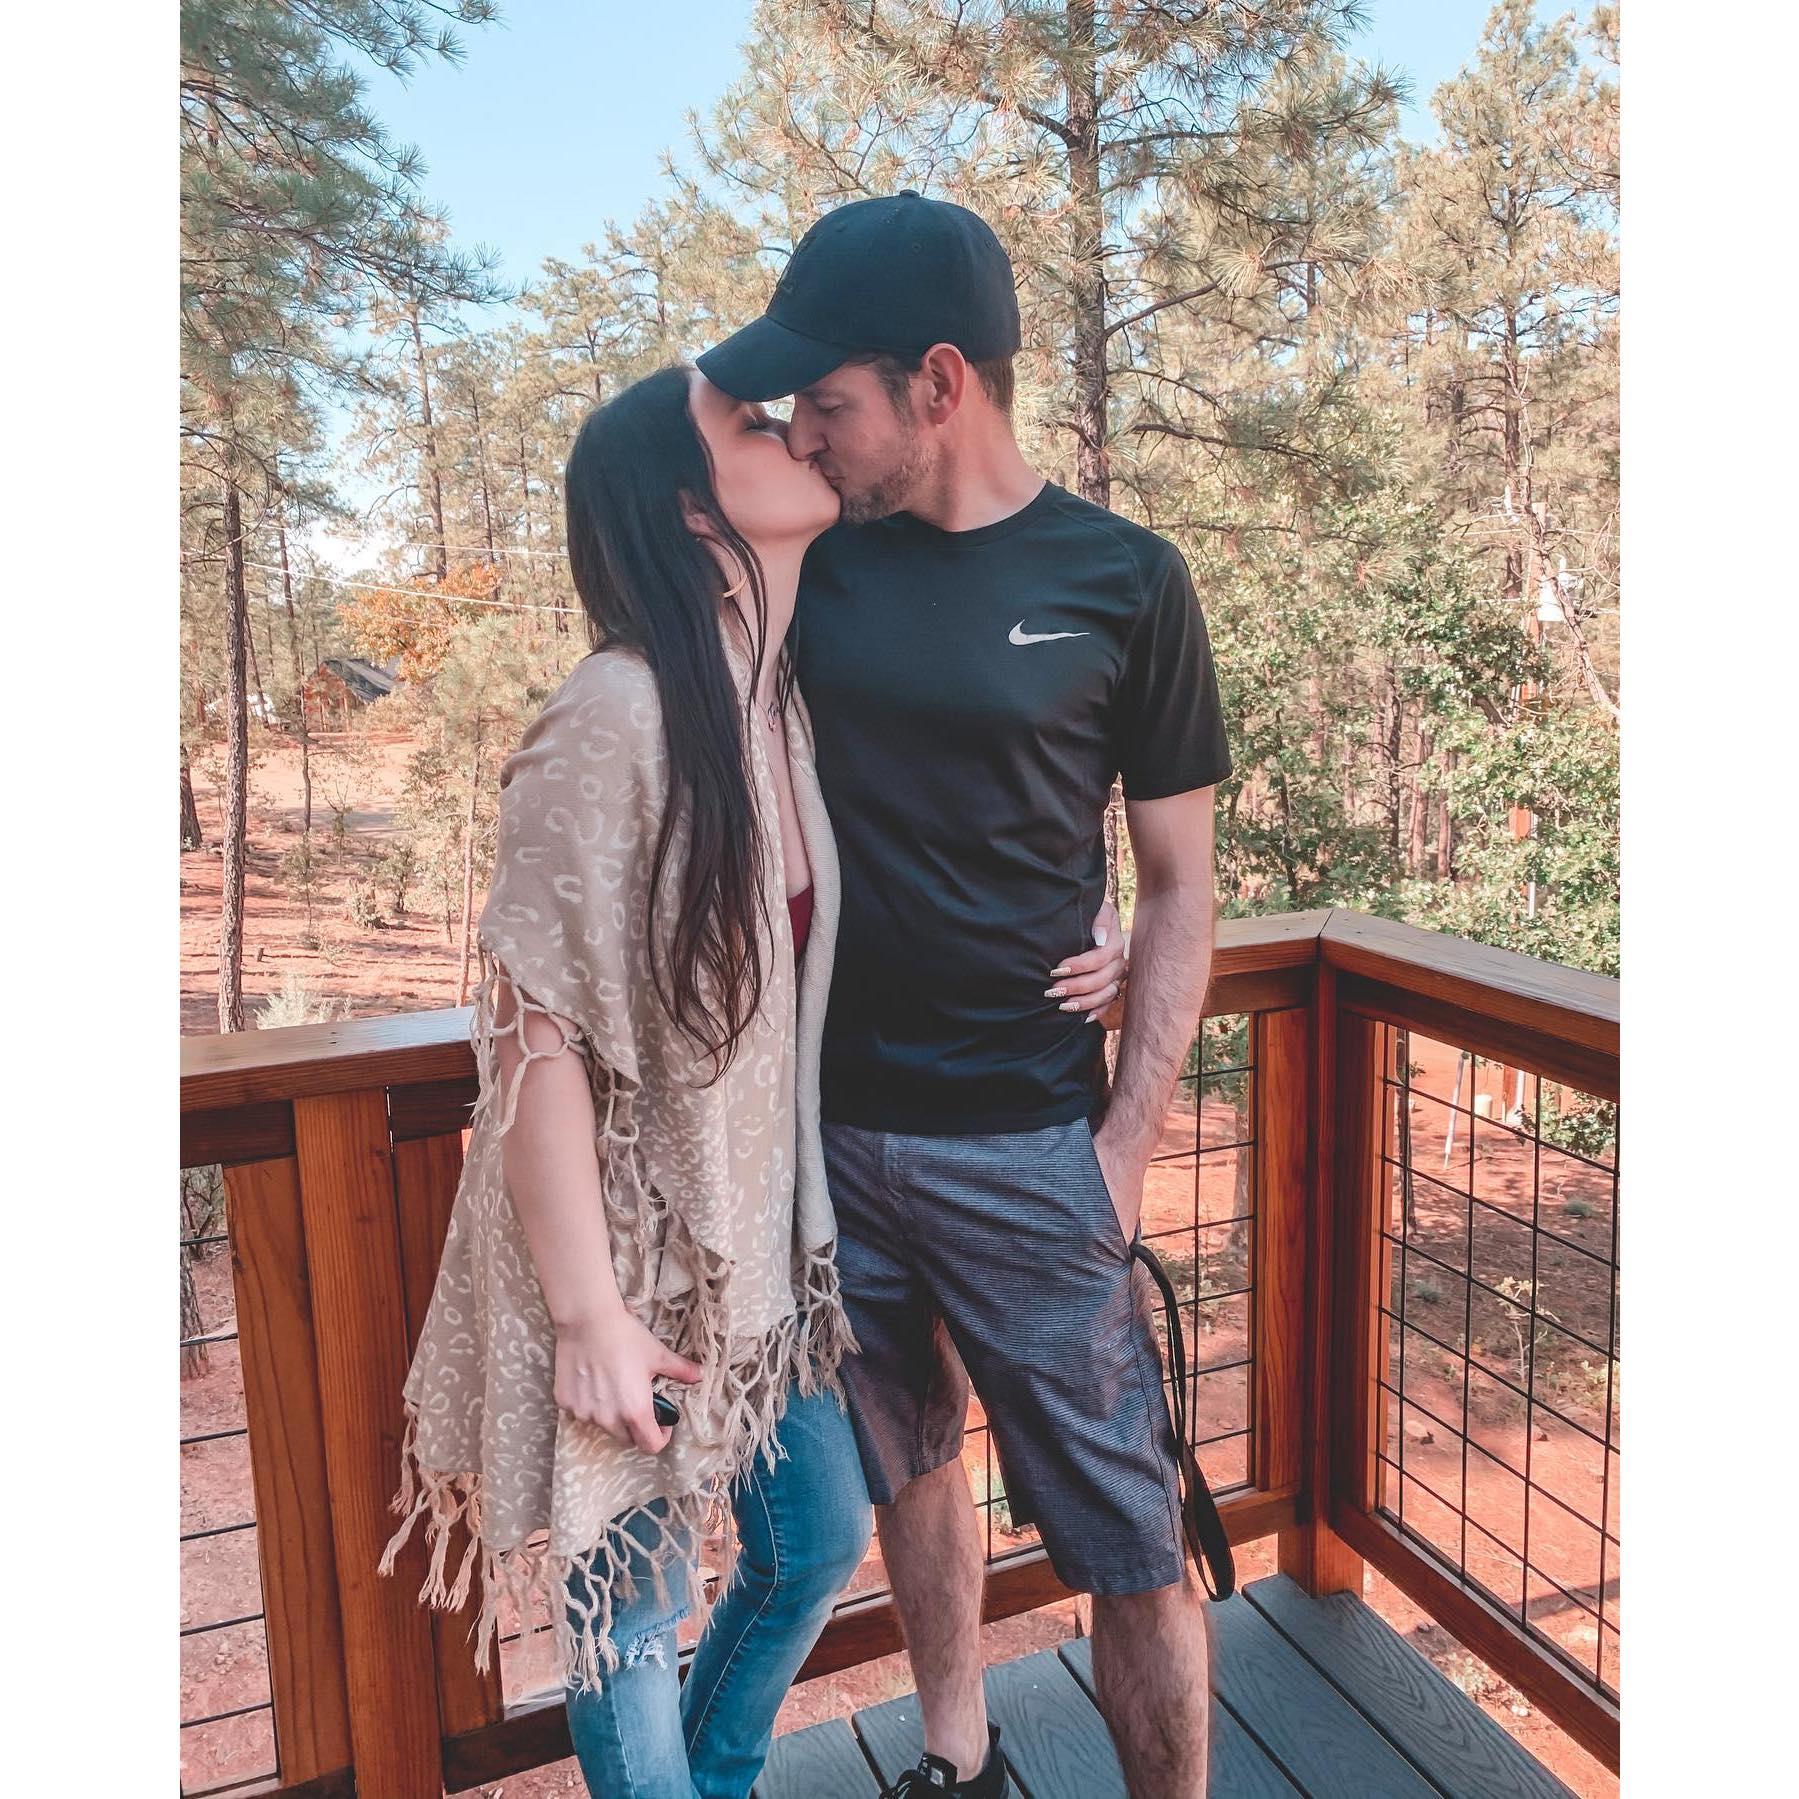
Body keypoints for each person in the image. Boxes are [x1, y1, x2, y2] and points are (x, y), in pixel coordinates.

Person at [380, 361, 1127, 1799]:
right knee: (635, 1610)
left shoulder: (772, 700)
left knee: (815, 1539)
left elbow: (955, 824)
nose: (791, 433)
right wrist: (589, 1316)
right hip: (618, 1250)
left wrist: (1100, 923)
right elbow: (531, 1037)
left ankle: (716, 1779)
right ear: (691, 510)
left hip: (752, 1248)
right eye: (749, 426)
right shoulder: (616, 713)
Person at [696, 190, 1234, 1799]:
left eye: (829, 402)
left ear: (942, 383)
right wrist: (753, 403)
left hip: (1030, 1143)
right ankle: (957, 1754)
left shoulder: (1127, 579)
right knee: (911, 1463)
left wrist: (1127, 1139)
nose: (804, 434)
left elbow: (1182, 885)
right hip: (832, 1141)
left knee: (1131, 1537)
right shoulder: (812, 563)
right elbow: (681, 442)